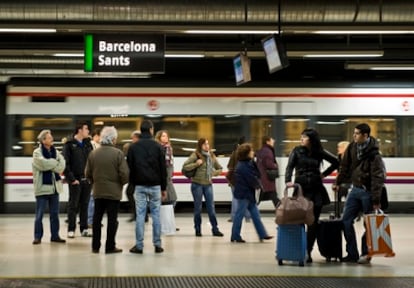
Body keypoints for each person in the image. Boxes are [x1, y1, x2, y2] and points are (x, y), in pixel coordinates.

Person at [285, 128, 339, 263]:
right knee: (298, 221)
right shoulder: (296, 151)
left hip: (316, 191)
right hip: (301, 190)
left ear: (311, 139)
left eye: (304, 137)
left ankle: (307, 251)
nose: (301, 139)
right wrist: (288, 181)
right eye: (301, 136)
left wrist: (324, 174)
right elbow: (289, 167)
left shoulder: (319, 152)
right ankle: (298, 250)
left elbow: (336, 162)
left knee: (313, 223)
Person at [335, 123, 386, 264]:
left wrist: (376, 200)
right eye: (354, 133)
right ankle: (352, 253)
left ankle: (366, 252)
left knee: (368, 224)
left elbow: (378, 177)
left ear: (365, 135)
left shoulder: (374, 155)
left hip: (368, 192)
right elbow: (344, 166)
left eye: (357, 133)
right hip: (355, 189)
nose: (354, 136)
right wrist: (337, 182)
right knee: (346, 221)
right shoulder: (352, 147)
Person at [85, 126, 129, 254]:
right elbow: (124, 174)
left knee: (96, 220)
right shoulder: (118, 154)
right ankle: (110, 246)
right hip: (113, 193)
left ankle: (95, 246)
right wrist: (120, 184)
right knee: (112, 220)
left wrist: (94, 182)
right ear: (113, 139)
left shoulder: (93, 153)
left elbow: (87, 173)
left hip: (98, 191)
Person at [128, 120, 167, 254]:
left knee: (140, 215)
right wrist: (164, 187)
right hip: (155, 186)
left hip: (139, 186)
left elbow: (130, 168)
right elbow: (163, 169)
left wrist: (132, 183)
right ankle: (157, 244)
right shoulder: (158, 147)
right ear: (151, 130)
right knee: (156, 215)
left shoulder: (133, 147)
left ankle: (139, 246)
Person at [231, 143, 273, 243]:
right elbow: (252, 179)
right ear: (247, 153)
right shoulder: (243, 166)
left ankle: (263, 234)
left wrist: (254, 162)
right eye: (251, 151)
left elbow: (257, 174)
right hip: (244, 194)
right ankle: (235, 236)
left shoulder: (248, 163)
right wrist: (259, 186)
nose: (253, 152)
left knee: (255, 215)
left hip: (248, 194)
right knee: (239, 215)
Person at [182, 138, 224, 237]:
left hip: (208, 185)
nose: (207, 146)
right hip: (197, 184)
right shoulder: (196, 155)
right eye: (204, 144)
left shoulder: (212, 156)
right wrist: (196, 163)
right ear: (200, 145)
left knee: (211, 208)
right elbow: (185, 167)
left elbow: (220, 168)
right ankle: (197, 229)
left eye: (208, 144)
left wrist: (213, 173)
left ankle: (215, 229)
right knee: (198, 208)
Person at [32, 129, 66, 245]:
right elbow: (42, 164)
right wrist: (54, 163)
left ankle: (55, 236)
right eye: (49, 138)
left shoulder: (56, 152)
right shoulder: (37, 152)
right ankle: (37, 237)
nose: (52, 139)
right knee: (39, 215)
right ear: (43, 140)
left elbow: (62, 165)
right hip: (42, 189)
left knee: (55, 215)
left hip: (54, 188)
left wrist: (51, 163)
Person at [63, 122, 93, 238]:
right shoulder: (69, 144)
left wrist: (91, 177)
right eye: (86, 129)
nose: (88, 131)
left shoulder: (88, 144)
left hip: (87, 180)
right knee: (73, 205)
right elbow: (65, 163)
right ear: (80, 130)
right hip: (75, 180)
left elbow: (91, 161)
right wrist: (72, 179)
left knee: (85, 204)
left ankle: (84, 228)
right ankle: (71, 229)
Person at [155, 130, 179, 230]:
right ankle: (163, 224)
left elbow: (170, 162)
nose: (166, 138)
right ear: (159, 137)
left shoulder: (168, 148)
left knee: (169, 201)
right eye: (163, 136)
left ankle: (167, 223)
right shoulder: (159, 148)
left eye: (167, 136)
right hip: (164, 178)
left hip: (168, 177)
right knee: (170, 200)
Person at [226, 136, 251, 222]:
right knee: (245, 198)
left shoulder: (234, 153)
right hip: (244, 180)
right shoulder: (248, 154)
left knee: (235, 198)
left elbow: (229, 166)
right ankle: (247, 217)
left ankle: (234, 217)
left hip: (234, 180)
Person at [255, 136, 280, 207]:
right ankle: (283, 211)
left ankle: (251, 210)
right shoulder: (268, 151)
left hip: (262, 177)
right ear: (267, 141)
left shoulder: (261, 150)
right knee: (273, 195)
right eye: (272, 139)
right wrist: (275, 165)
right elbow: (269, 164)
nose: (274, 141)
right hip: (267, 178)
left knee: (263, 196)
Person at [122, 130, 141, 222]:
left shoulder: (135, 147)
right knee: (139, 195)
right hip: (138, 176)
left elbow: (131, 163)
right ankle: (141, 215)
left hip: (135, 177)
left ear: (136, 137)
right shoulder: (139, 147)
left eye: (132, 138)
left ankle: (137, 214)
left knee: (130, 193)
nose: (131, 140)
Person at [87, 128, 101, 229]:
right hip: (93, 176)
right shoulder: (91, 145)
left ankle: (94, 220)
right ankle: (90, 220)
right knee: (92, 199)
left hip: (98, 176)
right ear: (95, 136)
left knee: (95, 199)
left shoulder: (99, 146)